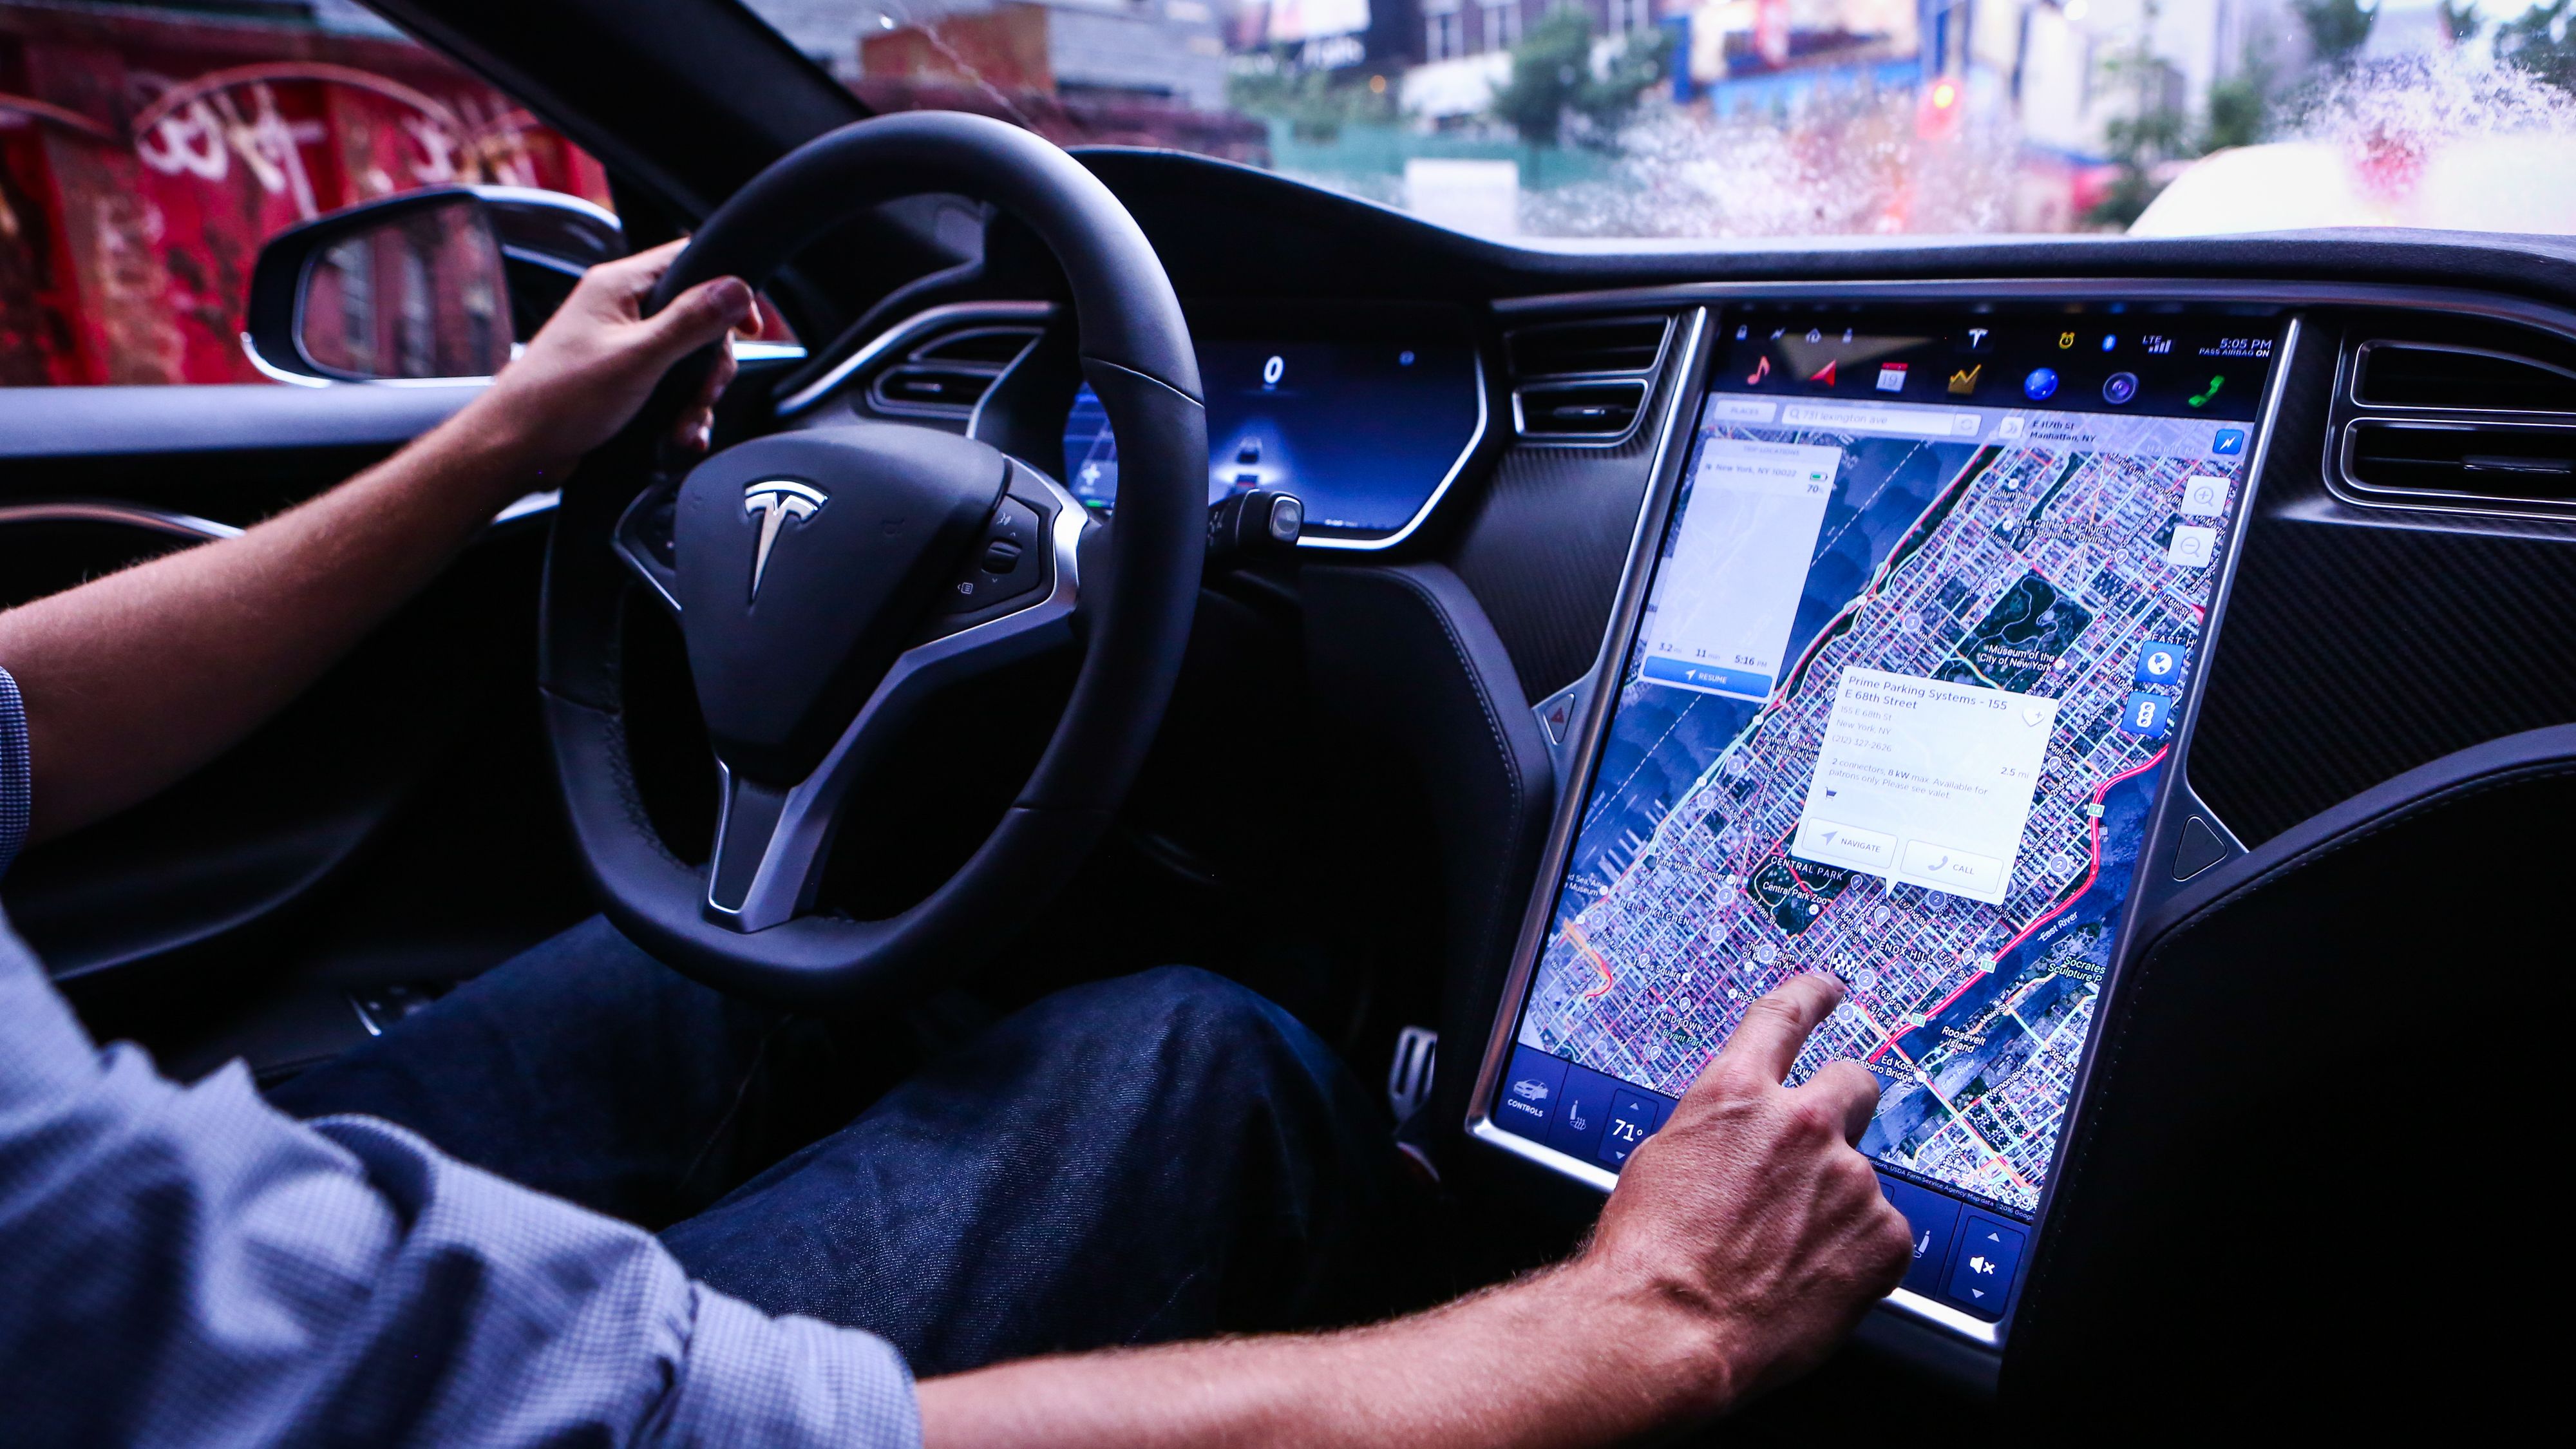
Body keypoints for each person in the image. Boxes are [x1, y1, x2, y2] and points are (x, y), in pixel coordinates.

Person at [0, 243, 1913, 1448]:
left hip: (166, 1257)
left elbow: (25, 725)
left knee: (737, 955)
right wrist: (1637, 1318)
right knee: (1198, 1055)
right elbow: (691, 1424)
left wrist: (503, 442)